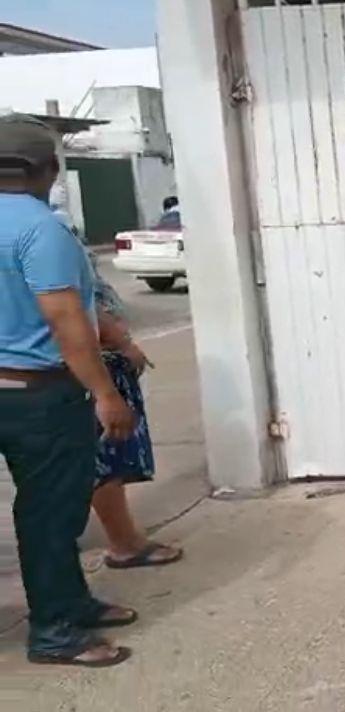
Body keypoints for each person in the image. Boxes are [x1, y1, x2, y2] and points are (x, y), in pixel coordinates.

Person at [0, 116, 137, 667]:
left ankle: (71, 602)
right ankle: (55, 631)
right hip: (39, 395)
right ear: (48, 169)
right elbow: (66, 322)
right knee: (51, 513)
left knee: (45, 511)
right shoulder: (41, 230)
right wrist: (106, 394)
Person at [86, 254, 184, 569]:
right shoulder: (42, 235)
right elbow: (73, 301)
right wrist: (121, 342)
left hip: (88, 357)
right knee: (104, 456)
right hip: (93, 359)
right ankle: (124, 544)